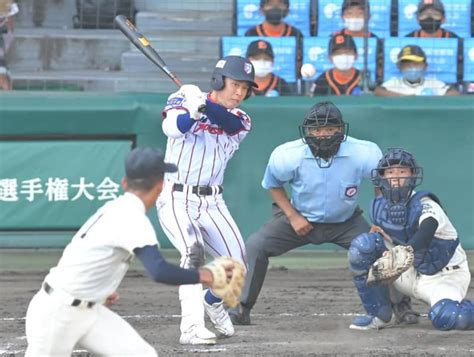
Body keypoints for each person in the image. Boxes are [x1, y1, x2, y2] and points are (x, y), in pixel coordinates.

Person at [24, 147, 237, 356]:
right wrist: (204, 275)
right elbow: (159, 271)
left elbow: (82, 254)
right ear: (161, 186)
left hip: (88, 312)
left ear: (124, 183)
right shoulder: (133, 219)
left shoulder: (114, 208)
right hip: (57, 315)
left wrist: (97, 289)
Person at [229, 101, 387, 325]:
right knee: (255, 246)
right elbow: (273, 184)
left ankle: (399, 308)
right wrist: (293, 216)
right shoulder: (288, 154)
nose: (322, 134)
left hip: (346, 221)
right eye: (316, 129)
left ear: (340, 130)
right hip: (298, 219)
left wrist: (379, 220)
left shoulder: (364, 152)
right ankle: (240, 309)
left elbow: (380, 184)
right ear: (307, 131)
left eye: (329, 129)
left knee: (383, 248)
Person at [156, 55, 257, 345]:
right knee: (193, 253)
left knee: (236, 268)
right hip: (176, 197)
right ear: (218, 81)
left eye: (245, 87)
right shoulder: (182, 98)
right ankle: (191, 328)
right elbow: (172, 129)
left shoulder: (241, 119)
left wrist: (204, 106)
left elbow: (226, 122)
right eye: (235, 84)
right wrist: (193, 111)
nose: (239, 92)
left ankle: (212, 301)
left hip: (212, 202)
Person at [348, 148, 473, 330]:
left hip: (444, 275)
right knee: (363, 247)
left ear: (413, 176)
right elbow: (385, 238)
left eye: (402, 172)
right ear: (381, 178)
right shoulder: (379, 207)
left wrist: (404, 251)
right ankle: (379, 315)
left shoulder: (425, 203)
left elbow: (427, 228)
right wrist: (384, 251)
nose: (396, 177)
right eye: (390, 172)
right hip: (408, 273)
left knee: (449, 317)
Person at [374, 45, 459, 96]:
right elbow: (378, 91)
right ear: (399, 67)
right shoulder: (395, 82)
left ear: (425, 66)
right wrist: (404, 98)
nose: (412, 68)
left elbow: (454, 93)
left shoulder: (432, 83)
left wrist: (433, 101)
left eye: (416, 64)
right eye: (407, 65)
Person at [245, 0, 303, 75]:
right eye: (270, 4)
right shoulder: (251, 33)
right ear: (261, 10)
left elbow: (300, 62)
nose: (275, 7)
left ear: (287, 11)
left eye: (280, 4)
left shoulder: (296, 34)